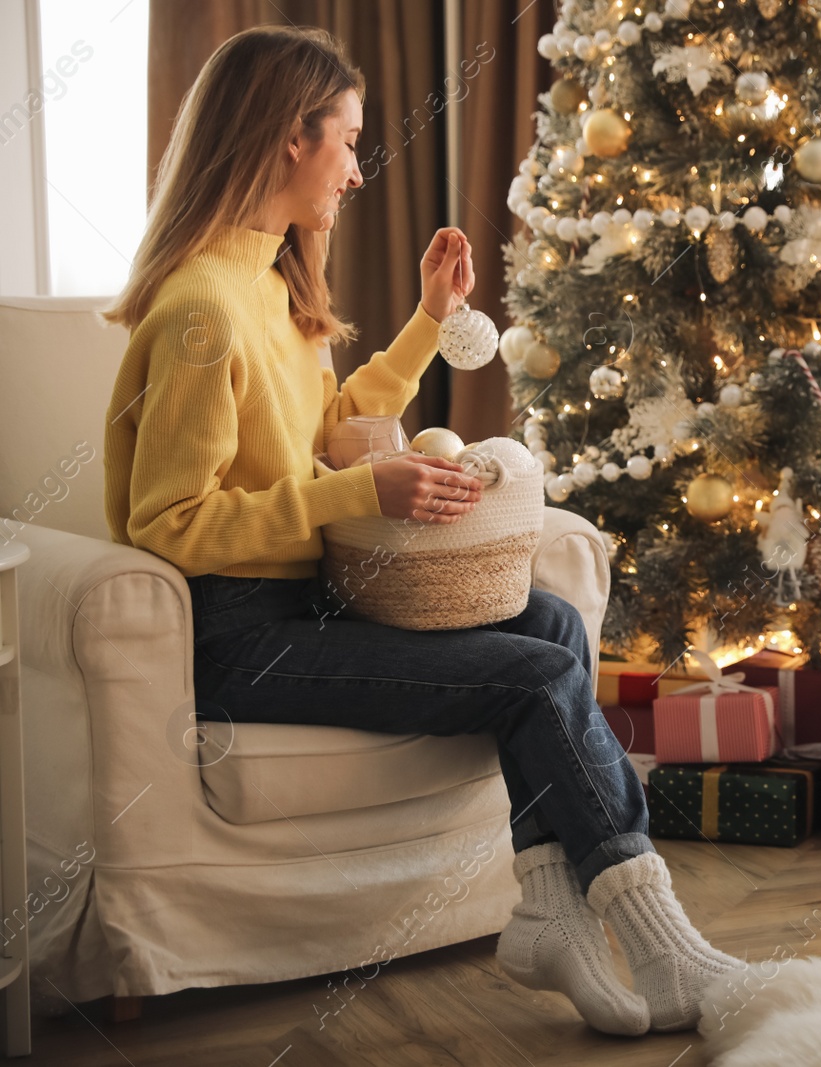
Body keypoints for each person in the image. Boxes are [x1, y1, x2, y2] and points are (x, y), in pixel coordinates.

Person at [101, 24, 742, 1035]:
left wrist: (425, 319)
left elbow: (327, 428)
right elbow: (171, 523)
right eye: (349, 142)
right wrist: (363, 495)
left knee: (555, 628)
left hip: (308, 599)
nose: (358, 172)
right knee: (536, 678)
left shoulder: (264, 284)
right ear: (287, 139)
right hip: (241, 634)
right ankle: (665, 941)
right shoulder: (203, 311)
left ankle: (552, 911)